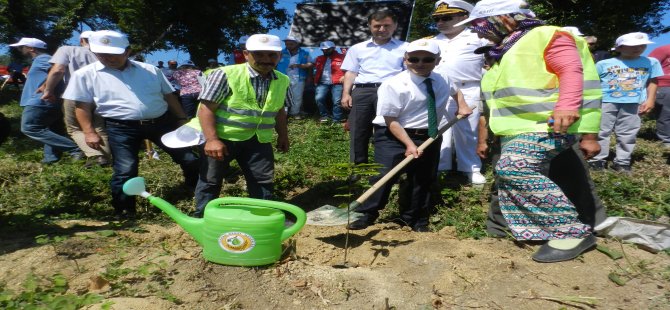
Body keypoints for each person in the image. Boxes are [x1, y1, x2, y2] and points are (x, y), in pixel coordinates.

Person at [456, 0, 603, 262]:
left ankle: (570, 231)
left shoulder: (546, 35)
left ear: (503, 18)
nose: (477, 32)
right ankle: (537, 230)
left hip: (546, 124)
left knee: (514, 168)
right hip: (515, 130)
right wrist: (486, 135)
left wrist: (567, 107)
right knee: (511, 174)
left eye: (479, 25)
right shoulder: (504, 49)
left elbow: (571, 69)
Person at [62, 30, 198, 219]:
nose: (108, 58)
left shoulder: (150, 70)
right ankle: (124, 210)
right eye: (102, 54)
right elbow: (82, 106)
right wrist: (89, 132)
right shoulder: (85, 75)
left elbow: (169, 95)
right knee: (126, 169)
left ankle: (193, 190)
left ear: (127, 51)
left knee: (188, 158)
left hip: (161, 123)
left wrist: (182, 119)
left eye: (114, 54)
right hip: (121, 127)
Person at [347, 39, 472, 232]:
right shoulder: (394, 84)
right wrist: (408, 144)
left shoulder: (442, 78)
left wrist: (462, 105)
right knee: (385, 175)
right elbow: (390, 120)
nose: (420, 64)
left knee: (422, 179)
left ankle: (413, 218)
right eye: (414, 59)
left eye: (427, 59)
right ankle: (366, 214)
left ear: (437, 60)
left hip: (430, 135)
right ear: (406, 60)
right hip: (393, 135)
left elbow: (455, 91)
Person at [193, 34, 291, 218]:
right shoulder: (225, 74)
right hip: (223, 138)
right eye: (259, 54)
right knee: (211, 180)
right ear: (246, 54)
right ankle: (202, 217)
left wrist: (283, 136)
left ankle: (262, 215)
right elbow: (206, 109)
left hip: (259, 140)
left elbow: (280, 111)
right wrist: (212, 140)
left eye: (272, 55)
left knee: (262, 180)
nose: (266, 60)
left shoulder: (283, 80)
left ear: (280, 56)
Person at [430, 0, 489, 184]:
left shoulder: (479, 38)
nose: (440, 22)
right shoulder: (431, 41)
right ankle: (440, 166)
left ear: (464, 17)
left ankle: (471, 168)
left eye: (446, 17)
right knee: (440, 129)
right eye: (437, 19)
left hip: (468, 87)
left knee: (468, 130)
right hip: (439, 88)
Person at [341, 9, 409, 165]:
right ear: (369, 26)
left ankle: (388, 166)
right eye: (377, 26)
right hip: (363, 91)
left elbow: (409, 72)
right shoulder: (357, 48)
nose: (382, 30)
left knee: (391, 128)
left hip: (392, 91)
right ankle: (359, 168)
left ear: (395, 26)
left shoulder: (405, 47)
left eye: (387, 26)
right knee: (358, 130)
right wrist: (346, 93)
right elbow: (351, 72)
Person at [588, 32, 663, 173]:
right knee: (602, 130)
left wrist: (650, 99)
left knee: (628, 132)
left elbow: (653, 81)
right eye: (632, 46)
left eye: (642, 45)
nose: (638, 48)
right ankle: (597, 159)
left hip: (634, 101)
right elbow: (593, 83)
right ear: (619, 48)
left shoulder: (651, 62)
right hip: (606, 101)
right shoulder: (604, 63)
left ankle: (622, 161)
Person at [41, 30, 111, 167]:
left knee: (74, 128)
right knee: (99, 127)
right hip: (99, 96)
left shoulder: (67, 49)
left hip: (76, 94)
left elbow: (58, 70)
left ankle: (96, 156)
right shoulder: (102, 54)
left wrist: (48, 90)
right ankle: (107, 158)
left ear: (81, 40)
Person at [10, 37, 83, 164]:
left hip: (41, 101)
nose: (19, 50)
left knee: (29, 127)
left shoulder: (42, 59)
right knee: (53, 129)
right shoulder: (40, 60)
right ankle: (50, 160)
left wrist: (46, 88)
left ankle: (75, 149)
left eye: (21, 47)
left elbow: (58, 71)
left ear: (31, 48)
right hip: (48, 101)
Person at [277, 35, 313, 118]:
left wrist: (300, 66)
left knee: (297, 96)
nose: (288, 46)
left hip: (299, 78)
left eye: (291, 44)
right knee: (282, 95)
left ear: (297, 44)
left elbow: (311, 64)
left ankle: (294, 113)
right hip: (282, 77)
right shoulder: (280, 53)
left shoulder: (305, 53)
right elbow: (274, 64)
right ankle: (283, 114)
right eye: (286, 44)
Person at [313, 41, 346, 123]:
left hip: (337, 82)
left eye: (327, 49)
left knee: (337, 100)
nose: (325, 51)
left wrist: (345, 76)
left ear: (333, 48)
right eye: (323, 50)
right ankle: (325, 116)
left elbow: (350, 68)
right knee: (319, 98)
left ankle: (337, 119)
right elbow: (312, 67)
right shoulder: (319, 58)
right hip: (322, 82)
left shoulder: (342, 57)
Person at [649, 44, 670, 149]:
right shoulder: (663, 49)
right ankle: (666, 140)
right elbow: (648, 66)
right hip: (665, 86)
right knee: (665, 114)